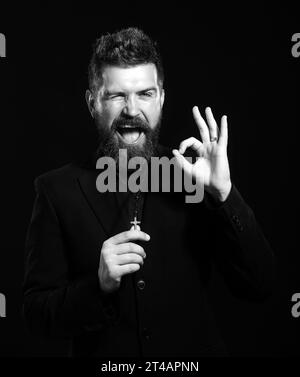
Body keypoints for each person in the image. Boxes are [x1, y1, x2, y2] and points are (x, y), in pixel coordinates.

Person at [23, 27, 275, 358]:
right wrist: (97, 286)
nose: (131, 109)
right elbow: (36, 316)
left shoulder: (194, 177)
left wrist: (224, 194)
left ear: (161, 99)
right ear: (92, 103)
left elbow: (261, 285)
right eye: (115, 96)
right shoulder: (55, 190)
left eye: (145, 94)